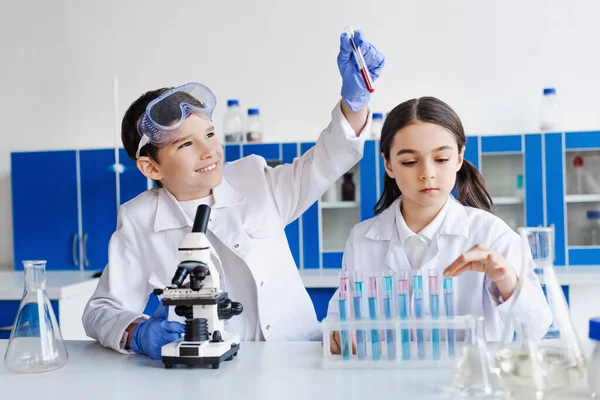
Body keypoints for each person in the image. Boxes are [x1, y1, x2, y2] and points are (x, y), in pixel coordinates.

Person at [82, 30, 385, 360]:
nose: (208, 150)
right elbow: (102, 309)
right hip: (210, 371)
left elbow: (327, 161)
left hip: (296, 358)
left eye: (209, 134)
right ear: (151, 168)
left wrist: (354, 105)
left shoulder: (254, 179)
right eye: (185, 144)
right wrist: (136, 332)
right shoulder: (139, 219)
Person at [328, 97, 551, 354]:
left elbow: (537, 328)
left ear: (459, 158)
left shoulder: (492, 234)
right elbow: (338, 318)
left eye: (441, 159)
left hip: (468, 388)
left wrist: (507, 279)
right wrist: (338, 333)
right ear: (388, 164)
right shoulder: (362, 239)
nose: (427, 173)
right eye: (410, 162)